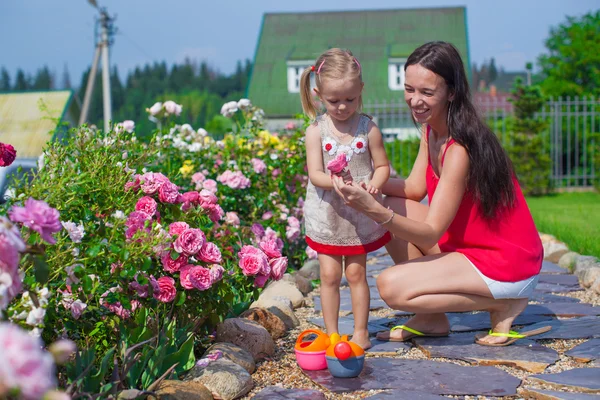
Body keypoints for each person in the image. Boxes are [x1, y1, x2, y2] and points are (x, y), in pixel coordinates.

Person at [331, 41, 551, 346]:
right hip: (468, 245)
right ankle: (432, 319)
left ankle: (504, 302)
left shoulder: (459, 149)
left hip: (506, 260)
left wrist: (374, 210)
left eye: (426, 92)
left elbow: (430, 232)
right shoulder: (432, 129)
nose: (415, 100)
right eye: (409, 89)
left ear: (451, 92)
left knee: (391, 287)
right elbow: (413, 189)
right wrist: (364, 180)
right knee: (393, 202)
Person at [300, 48, 391, 349]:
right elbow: (315, 173)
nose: (342, 107)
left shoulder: (368, 128)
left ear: (360, 90)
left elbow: (382, 166)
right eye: (333, 100)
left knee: (355, 273)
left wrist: (374, 186)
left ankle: (361, 332)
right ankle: (331, 332)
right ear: (318, 95)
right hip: (329, 213)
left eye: (349, 99)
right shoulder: (316, 131)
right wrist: (336, 182)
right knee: (328, 274)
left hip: (357, 213)